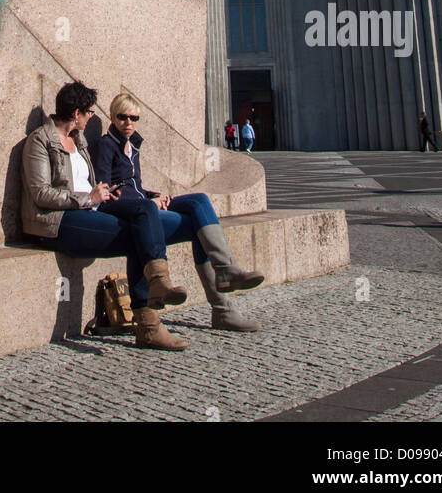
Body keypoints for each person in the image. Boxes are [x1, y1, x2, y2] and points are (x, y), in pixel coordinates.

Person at [21, 81, 190, 350]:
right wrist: (88, 198)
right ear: (77, 113)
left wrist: (103, 191)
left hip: (88, 211)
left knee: (143, 211)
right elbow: (41, 194)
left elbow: (87, 182)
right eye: (89, 112)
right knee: (139, 233)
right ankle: (148, 323)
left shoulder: (79, 141)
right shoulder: (40, 141)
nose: (91, 118)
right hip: (56, 222)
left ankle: (158, 282)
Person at [93, 94, 264, 333]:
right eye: (123, 117)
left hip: (144, 203)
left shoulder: (132, 145)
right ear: (112, 117)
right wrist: (149, 201)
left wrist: (156, 195)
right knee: (197, 226)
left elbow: (135, 185)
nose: (128, 123)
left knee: (199, 202)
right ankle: (222, 308)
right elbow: (107, 190)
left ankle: (226, 269)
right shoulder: (106, 145)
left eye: (134, 118)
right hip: (132, 211)